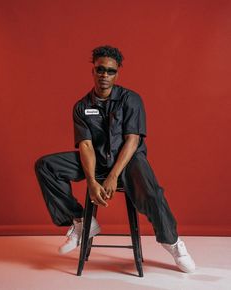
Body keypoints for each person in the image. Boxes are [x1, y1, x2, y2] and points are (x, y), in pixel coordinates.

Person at [34, 45, 195, 273]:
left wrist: (112, 177)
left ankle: (173, 242)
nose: (104, 76)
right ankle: (81, 222)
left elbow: (132, 141)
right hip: (98, 159)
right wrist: (91, 181)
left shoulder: (131, 100)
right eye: (100, 70)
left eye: (110, 71)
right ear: (93, 71)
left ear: (117, 73)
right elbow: (86, 146)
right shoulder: (82, 106)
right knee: (46, 166)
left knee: (151, 192)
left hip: (129, 160)